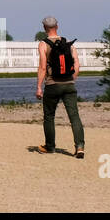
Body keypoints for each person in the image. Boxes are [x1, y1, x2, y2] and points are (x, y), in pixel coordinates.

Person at [36, 15, 85, 157]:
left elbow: (42, 67)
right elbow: (77, 63)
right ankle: (80, 146)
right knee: (74, 116)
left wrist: (39, 87)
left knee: (49, 116)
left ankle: (50, 146)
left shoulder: (43, 44)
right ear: (57, 26)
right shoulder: (68, 43)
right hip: (69, 84)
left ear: (44, 28)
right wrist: (72, 79)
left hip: (52, 85)